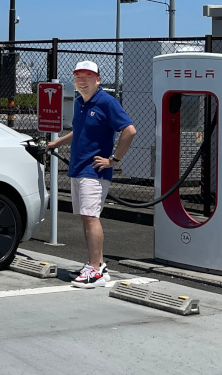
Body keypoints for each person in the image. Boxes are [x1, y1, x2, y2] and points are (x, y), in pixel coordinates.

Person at [47, 60, 136, 288]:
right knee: (86, 218)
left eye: (88, 76)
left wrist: (114, 160)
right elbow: (80, 131)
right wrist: (55, 143)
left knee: (91, 217)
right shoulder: (80, 103)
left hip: (94, 171)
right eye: (78, 76)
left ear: (98, 80)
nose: (82, 80)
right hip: (78, 168)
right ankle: (99, 265)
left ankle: (94, 270)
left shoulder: (107, 102)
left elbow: (129, 130)